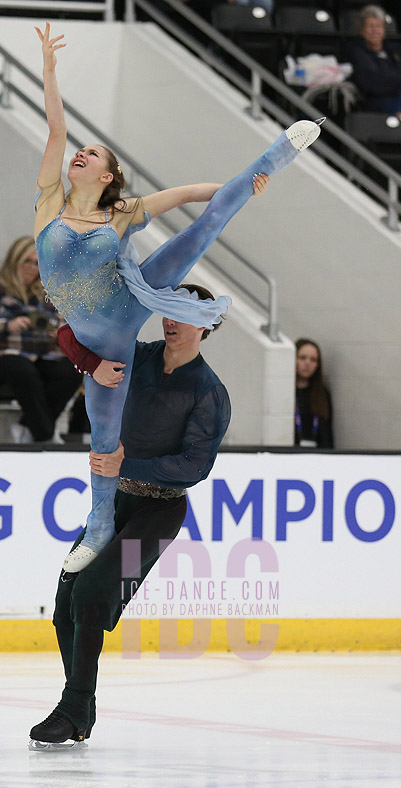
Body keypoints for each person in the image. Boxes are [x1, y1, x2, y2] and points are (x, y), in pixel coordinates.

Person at [34, 22, 321, 572]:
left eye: (92, 154)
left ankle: (277, 154)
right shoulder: (49, 199)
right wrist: (49, 70)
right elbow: (54, 130)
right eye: (82, 151)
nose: (80, 154)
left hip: (129, 298)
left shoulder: (122, 212)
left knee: (201, 232)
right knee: (104, 441)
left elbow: (192, 195)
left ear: (109, 174)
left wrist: (241, 188)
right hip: (103, 342)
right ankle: (97, 529)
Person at [29, 284, 231, 746]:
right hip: (113, 501)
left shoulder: (209, 391)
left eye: (182, 313)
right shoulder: (136, 357)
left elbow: (194, 466)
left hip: (159, 509)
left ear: (208, 324)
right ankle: (78, 708)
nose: (170, 320)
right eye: (166, 309)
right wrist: (92, 358)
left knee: (95, 591)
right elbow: (68, 337)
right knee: (67, 602)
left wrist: (127, 465)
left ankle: (75, 707)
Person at [0, 235, 82, 444]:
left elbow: (70, 326)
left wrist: (61, 331)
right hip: (4, 355)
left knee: (71, 370)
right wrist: (5, 325)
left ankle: (29, 427)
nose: (32, 268)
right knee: (20, 368)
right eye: (27, 261)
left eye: (37, 263)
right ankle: (45, 434)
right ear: (15, 260)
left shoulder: (49, 294)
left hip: (43, 353)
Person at [346, 5, 401, 127]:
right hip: (381, 101)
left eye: (379, 26)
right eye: (370, 26)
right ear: (362, 30)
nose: (375, 30)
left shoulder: (396, 49)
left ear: (384, 30)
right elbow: (373, 82)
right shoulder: (357, 51)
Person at [294, 337, 334, 449]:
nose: (307, 363)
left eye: (313, 360)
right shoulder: (285, 391)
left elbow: (327, 433)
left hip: (317, 454)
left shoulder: (322, 393)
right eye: (302, 358)